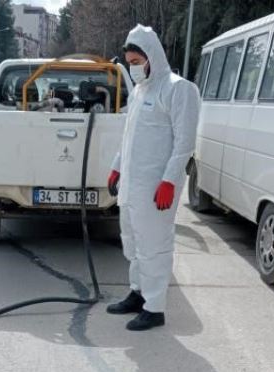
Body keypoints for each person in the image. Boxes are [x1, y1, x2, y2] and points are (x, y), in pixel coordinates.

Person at [106, 25, 200, 331]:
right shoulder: (138, 92)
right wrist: (117, 166)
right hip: (132, 186)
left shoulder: (178, 89)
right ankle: (137, 293)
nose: (133, 68)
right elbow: (128, 137)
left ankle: (155, 307)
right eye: (130, 63)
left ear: (152, 57)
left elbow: (185, 141)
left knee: (154, 246)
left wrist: (170, 181)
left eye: (136, 62)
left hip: (156, 187)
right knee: (132, 242)